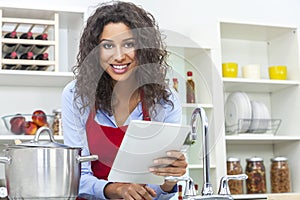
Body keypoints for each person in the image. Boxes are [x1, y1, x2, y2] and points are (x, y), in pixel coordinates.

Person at [62, 1, 188, 199]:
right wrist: (113, 189)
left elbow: (160, 193)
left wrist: (169, 180)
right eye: (108, 45)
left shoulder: (164, 99)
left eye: (129, 44)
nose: (119, 56)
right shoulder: (76, 95)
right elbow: (76, 177)